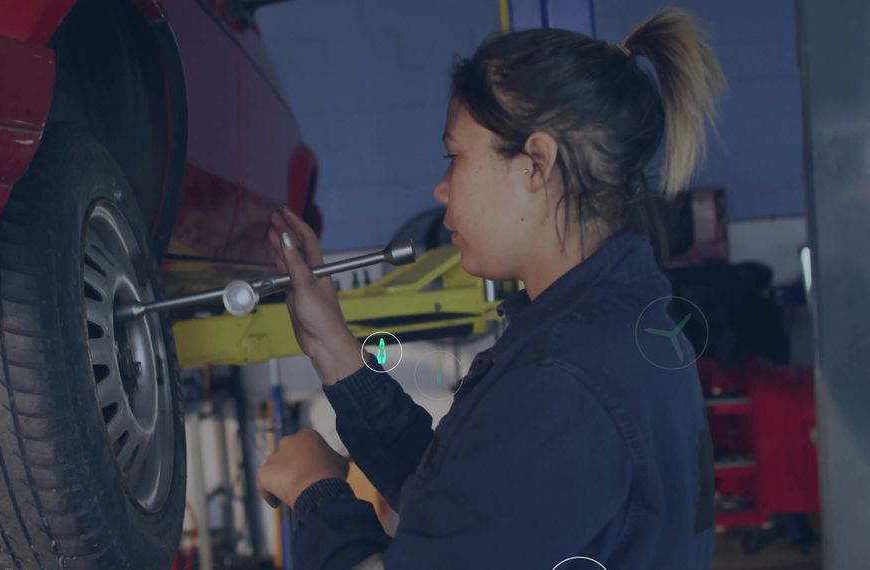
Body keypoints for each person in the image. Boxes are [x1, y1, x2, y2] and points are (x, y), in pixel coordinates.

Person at [256, 9, 726, 570]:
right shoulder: (608, 325)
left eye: (454, 156)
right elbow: (464, 502)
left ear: (535, 164)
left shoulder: (565, 377)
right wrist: (331, 345)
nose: (440, 187)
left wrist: (317, 490)